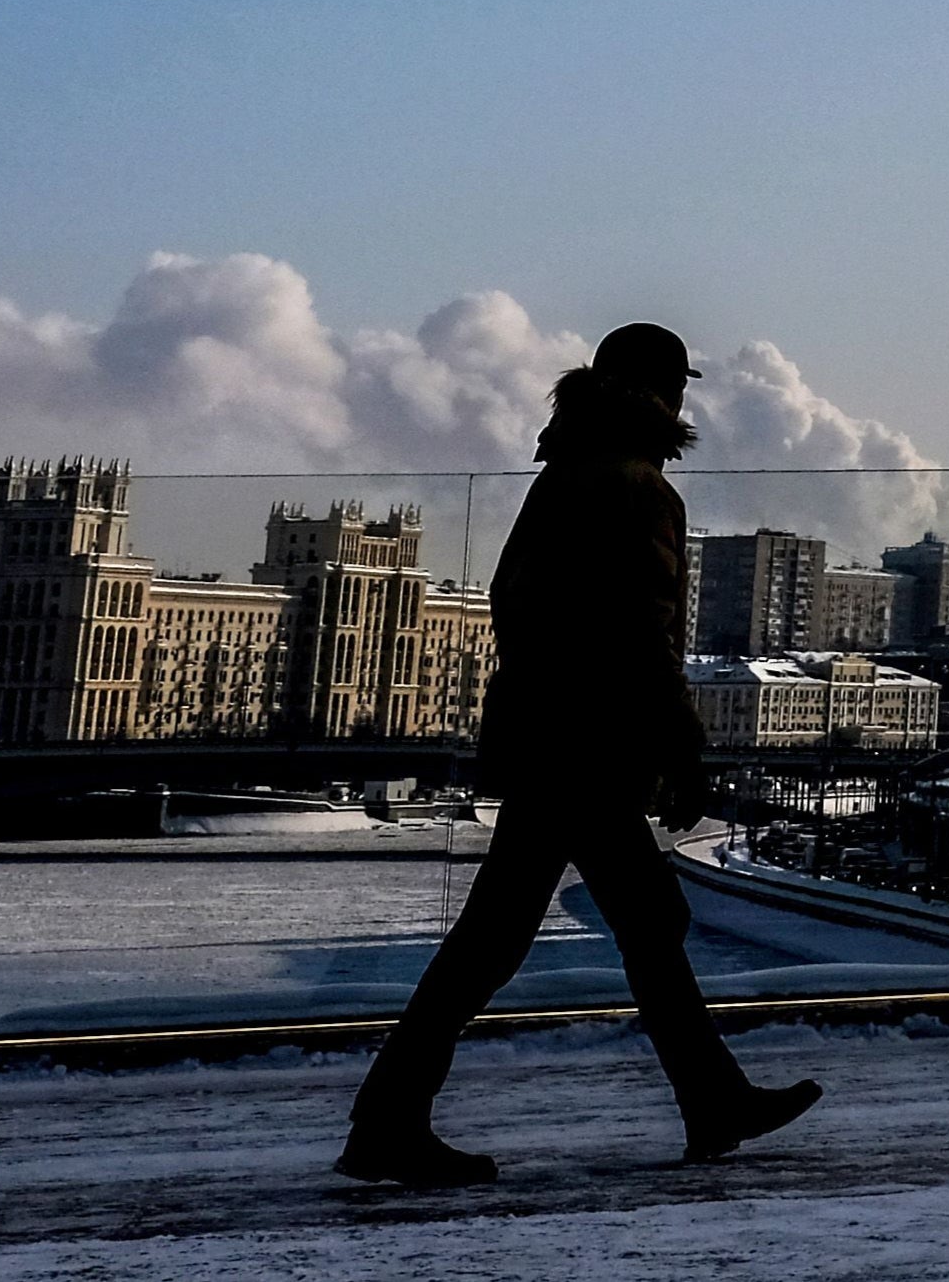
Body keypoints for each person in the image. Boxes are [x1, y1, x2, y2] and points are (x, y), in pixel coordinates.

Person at [340, 321, 822, 1185]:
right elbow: (647, 634)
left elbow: (514, 603)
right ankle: (388, 1119)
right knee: (548, 932)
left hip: (546, 734)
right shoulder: (638, 486)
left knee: (603, 923)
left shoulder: (563, 472)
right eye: (680, 387)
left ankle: (710, 1097)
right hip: (590, 744)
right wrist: (681, 745)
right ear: (666, 394)